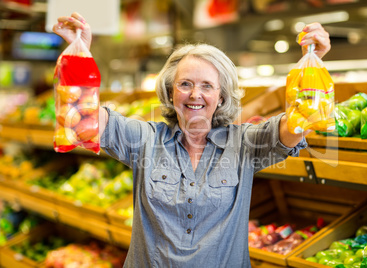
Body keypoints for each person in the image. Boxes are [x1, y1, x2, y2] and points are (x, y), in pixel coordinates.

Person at [53, 12, 331, 268]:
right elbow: (83, 118)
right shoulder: (145, 139)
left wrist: (311, 59)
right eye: (185, 84)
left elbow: (294, 127)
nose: (195, 94)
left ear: (221, 97)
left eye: (207, 85)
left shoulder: (244, 144)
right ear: (170, 92)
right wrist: (81, 50)